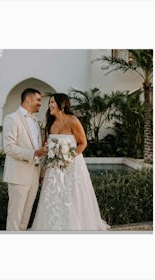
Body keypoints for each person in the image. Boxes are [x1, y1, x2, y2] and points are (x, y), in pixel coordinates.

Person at [32, 93, 109, 231]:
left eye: (52, 102)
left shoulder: (73, 121)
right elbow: (46, 146)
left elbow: (83, 143)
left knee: (73, 197)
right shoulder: (50, 123)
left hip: (72, 166)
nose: (49, 105)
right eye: (49, 102)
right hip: (54, 169)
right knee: (54, 198)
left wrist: (67, 158)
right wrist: (44, 167)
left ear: (62, 104)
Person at [3, 88, 47, 231]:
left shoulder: (36, 121)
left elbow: (39, 149)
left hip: (34, 176)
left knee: (25, 218)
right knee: (15, 218)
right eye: (38, 100)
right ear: (28, 99)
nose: (40, 103)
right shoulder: (12, 118)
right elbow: (9, 147)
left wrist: (41, 173)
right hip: (18, 175)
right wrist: (34, 153)